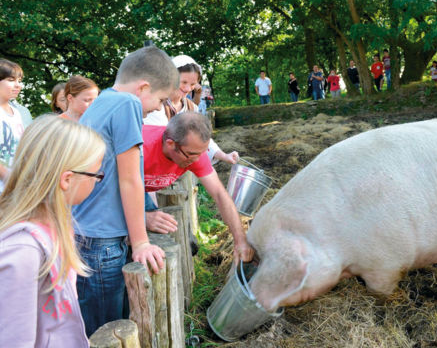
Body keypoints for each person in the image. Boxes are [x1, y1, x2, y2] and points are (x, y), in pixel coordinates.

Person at [73, 46, 178, 336]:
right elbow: (129, 178)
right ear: (143, 87)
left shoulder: (102, 101)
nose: (158, 108)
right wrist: (141, 242)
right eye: (159, 99)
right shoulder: (126, 105)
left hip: (87, 234)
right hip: (104, 240)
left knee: (94, 328)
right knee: (108, 331)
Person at [0, 116, 106, 347]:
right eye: (97, 175)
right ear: (67, 179)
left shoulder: (57, 226)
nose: (98, 181)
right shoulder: (22, 252)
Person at [142, 112, 255, 265]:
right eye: (191, 154)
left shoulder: (193, 152)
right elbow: (104, 192)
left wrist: (240, 240)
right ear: (170, 144)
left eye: (202, 153)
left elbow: (220, 194)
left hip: (140, 190)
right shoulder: (140, 148)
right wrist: (143, 218)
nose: (197, 160)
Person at [0, 59, 26, 194]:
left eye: (19, 81)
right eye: (11, 80)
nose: (18, 85)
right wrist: (7, 177)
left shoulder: (16, 112)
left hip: (13, 190)